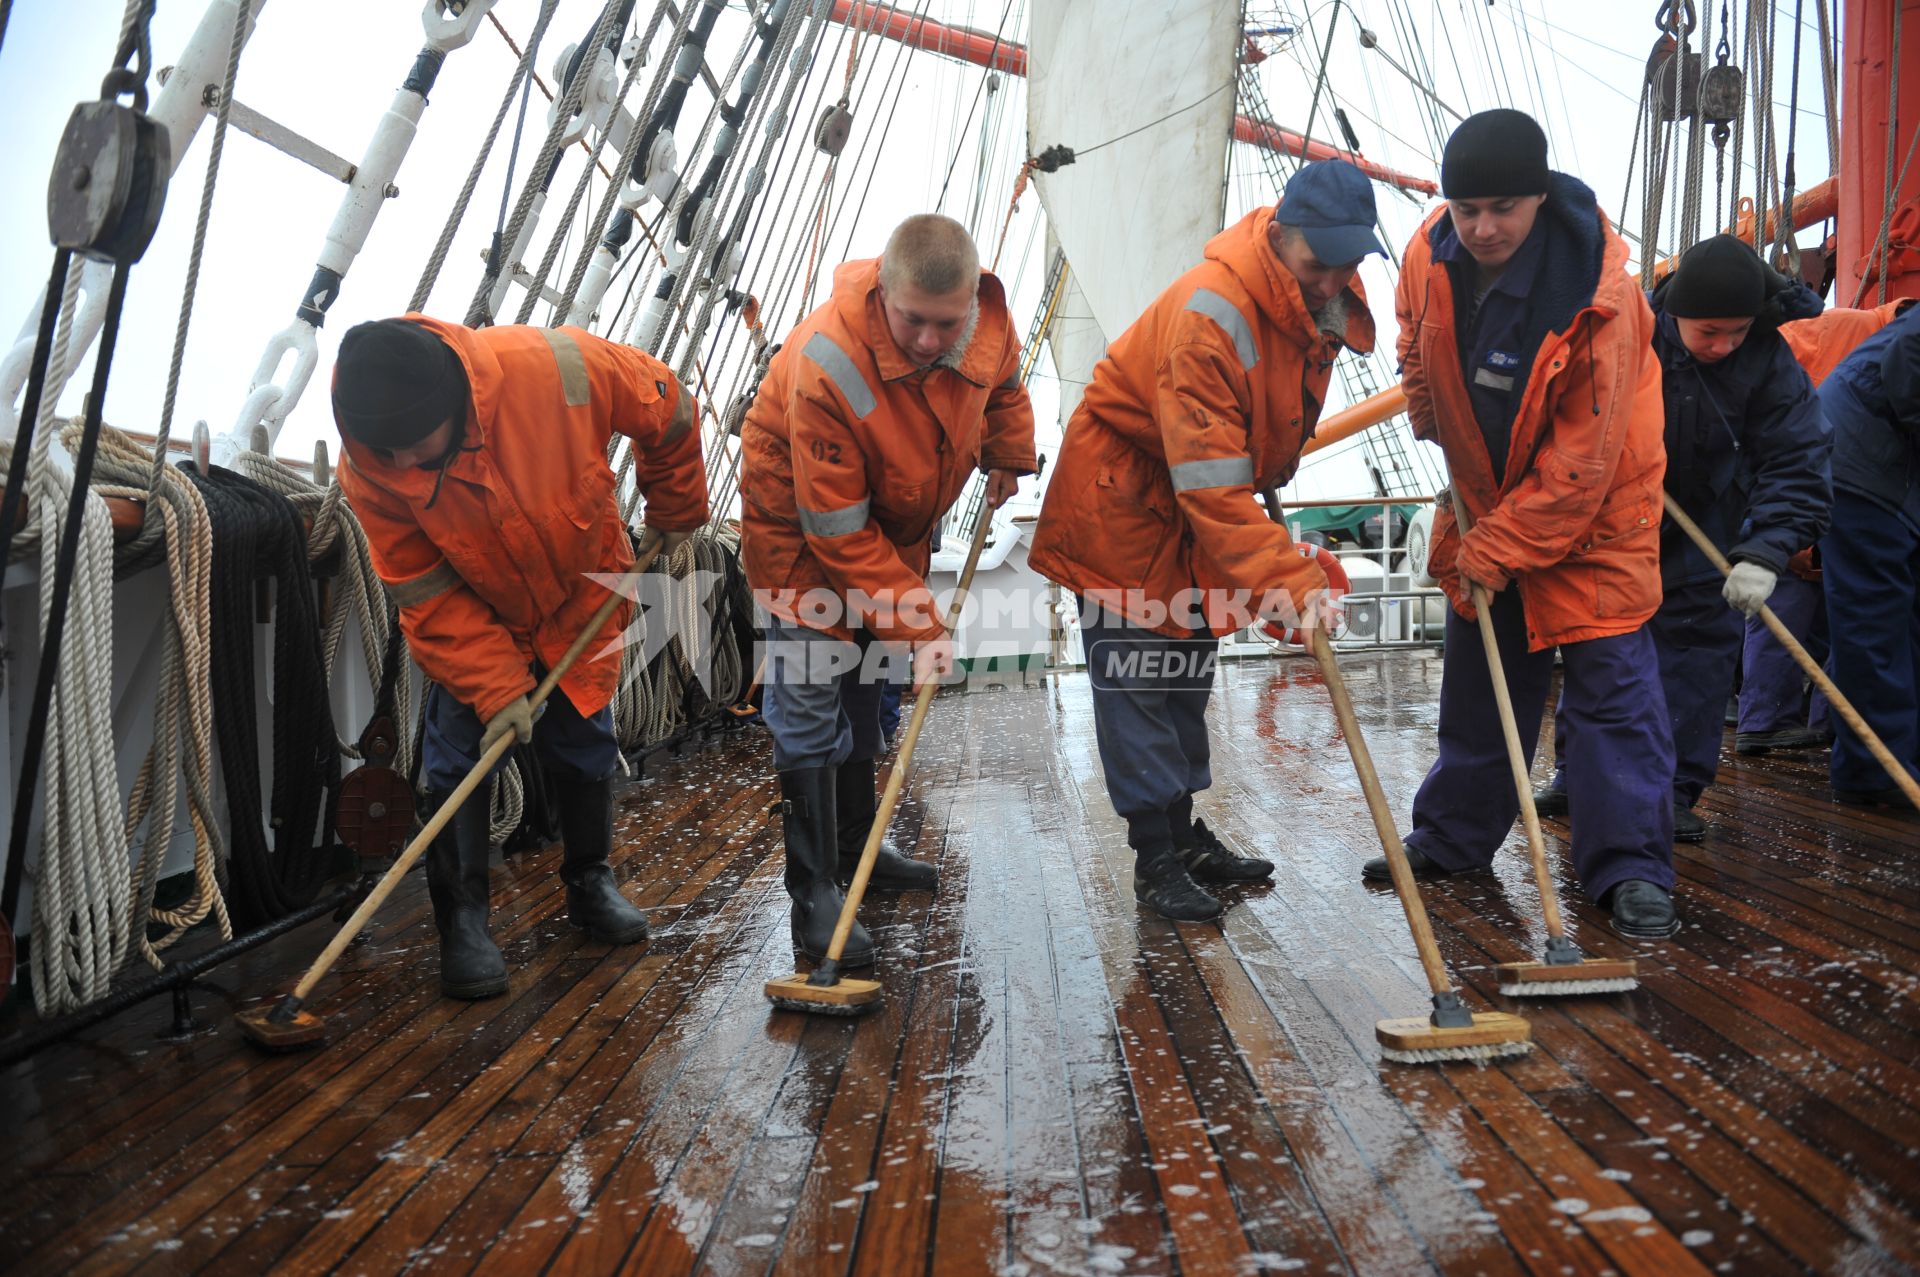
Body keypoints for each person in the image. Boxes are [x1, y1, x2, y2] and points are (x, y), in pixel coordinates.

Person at [1028, 159, 1375, 922]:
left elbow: (1239, 456)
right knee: (1138, 679)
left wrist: (1280, 564)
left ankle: (1183, 837)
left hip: (1192, 510)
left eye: (1349, 266)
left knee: (1185, 676)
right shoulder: (1211, 317)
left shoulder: (1303, 305)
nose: (1332, 283)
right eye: (1320, 264)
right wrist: (1292, 579)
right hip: (1125, 507)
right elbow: (1214, 486)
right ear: (1280, 238)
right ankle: (1155, 860)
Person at [334, 316, 709, 999]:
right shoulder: (370, 464)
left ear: (456, 404)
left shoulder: (560, 366)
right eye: (390, 453)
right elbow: (425, 589)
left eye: (418, 447)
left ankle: (590, 882)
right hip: (479, 614)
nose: (405, 467)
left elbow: (671, 408)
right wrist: (497, 685)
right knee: (460, 761)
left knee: (585, 742)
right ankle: (464, 923)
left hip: (580, 594)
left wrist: (675, 509)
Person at [1377, 109, 1680, 938]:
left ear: (1539, 198)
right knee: (1480, 684)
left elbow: (1581, 469)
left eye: (1502, 208)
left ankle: (1630, 870)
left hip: (1599, 517)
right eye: (1466, 208)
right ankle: (1453, 838)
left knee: (1610, 693)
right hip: (1485, 497)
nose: (1480, 227)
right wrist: (1425, 411)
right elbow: (1414, 338)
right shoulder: (1428, 251)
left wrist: (1494, 549)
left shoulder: (1603, 296)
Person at [740, 214, 1037, 964]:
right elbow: (836, 533)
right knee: (810, 700)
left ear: (971, 301)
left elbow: (1003, 385)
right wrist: (922, 623)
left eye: (946, 323)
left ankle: (859, 858)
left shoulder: (988, 322)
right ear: (883, 292)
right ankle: (814, 891)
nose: (931, 341)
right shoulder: (829, 362)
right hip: (802, 537)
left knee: (867, 693)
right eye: (913, 321)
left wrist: (1008, 451)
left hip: (894, 530)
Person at [1532, 235, 1829, 839]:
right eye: (1708, 332)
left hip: (1705, 533)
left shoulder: (1767, 362)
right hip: (1614, 526)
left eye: (1736, 332)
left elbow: (1799, 456)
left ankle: (1671, 794)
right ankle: (1577, 774)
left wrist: (1767, 550)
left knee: (1696, 666)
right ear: (1674, 316)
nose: (1722, 346)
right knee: (1602, 656)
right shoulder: (1627, 335)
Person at [1733, 299, 1912, 753]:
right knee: (1790, 601)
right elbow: (1763, 400)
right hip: (1805, 485)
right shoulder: (1840, 328)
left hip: (1828, 482)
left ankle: (1823, 722)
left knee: (1839, 614)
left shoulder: (1871, 336)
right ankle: (1766, 720)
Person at [1815, 299, 1920, 807]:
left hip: (1885, 472)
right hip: (1865, 472)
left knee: (1903, 623)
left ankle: (1896, 757)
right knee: (1873, 622)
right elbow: (1911, 353)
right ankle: (1875, 773)